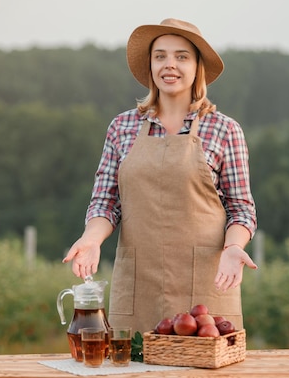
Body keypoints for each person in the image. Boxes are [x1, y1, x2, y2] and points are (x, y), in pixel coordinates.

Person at [63, 18, 257, 334]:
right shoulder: (121, 127)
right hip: (139, 284)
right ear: (151, 66)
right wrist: (91, 239)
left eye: (182, 56)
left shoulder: (225, 130)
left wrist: (234, 247)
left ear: (197, 67)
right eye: (160, 56)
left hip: (206, 288)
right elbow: (106, 203)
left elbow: (241, 209)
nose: (170, 65)